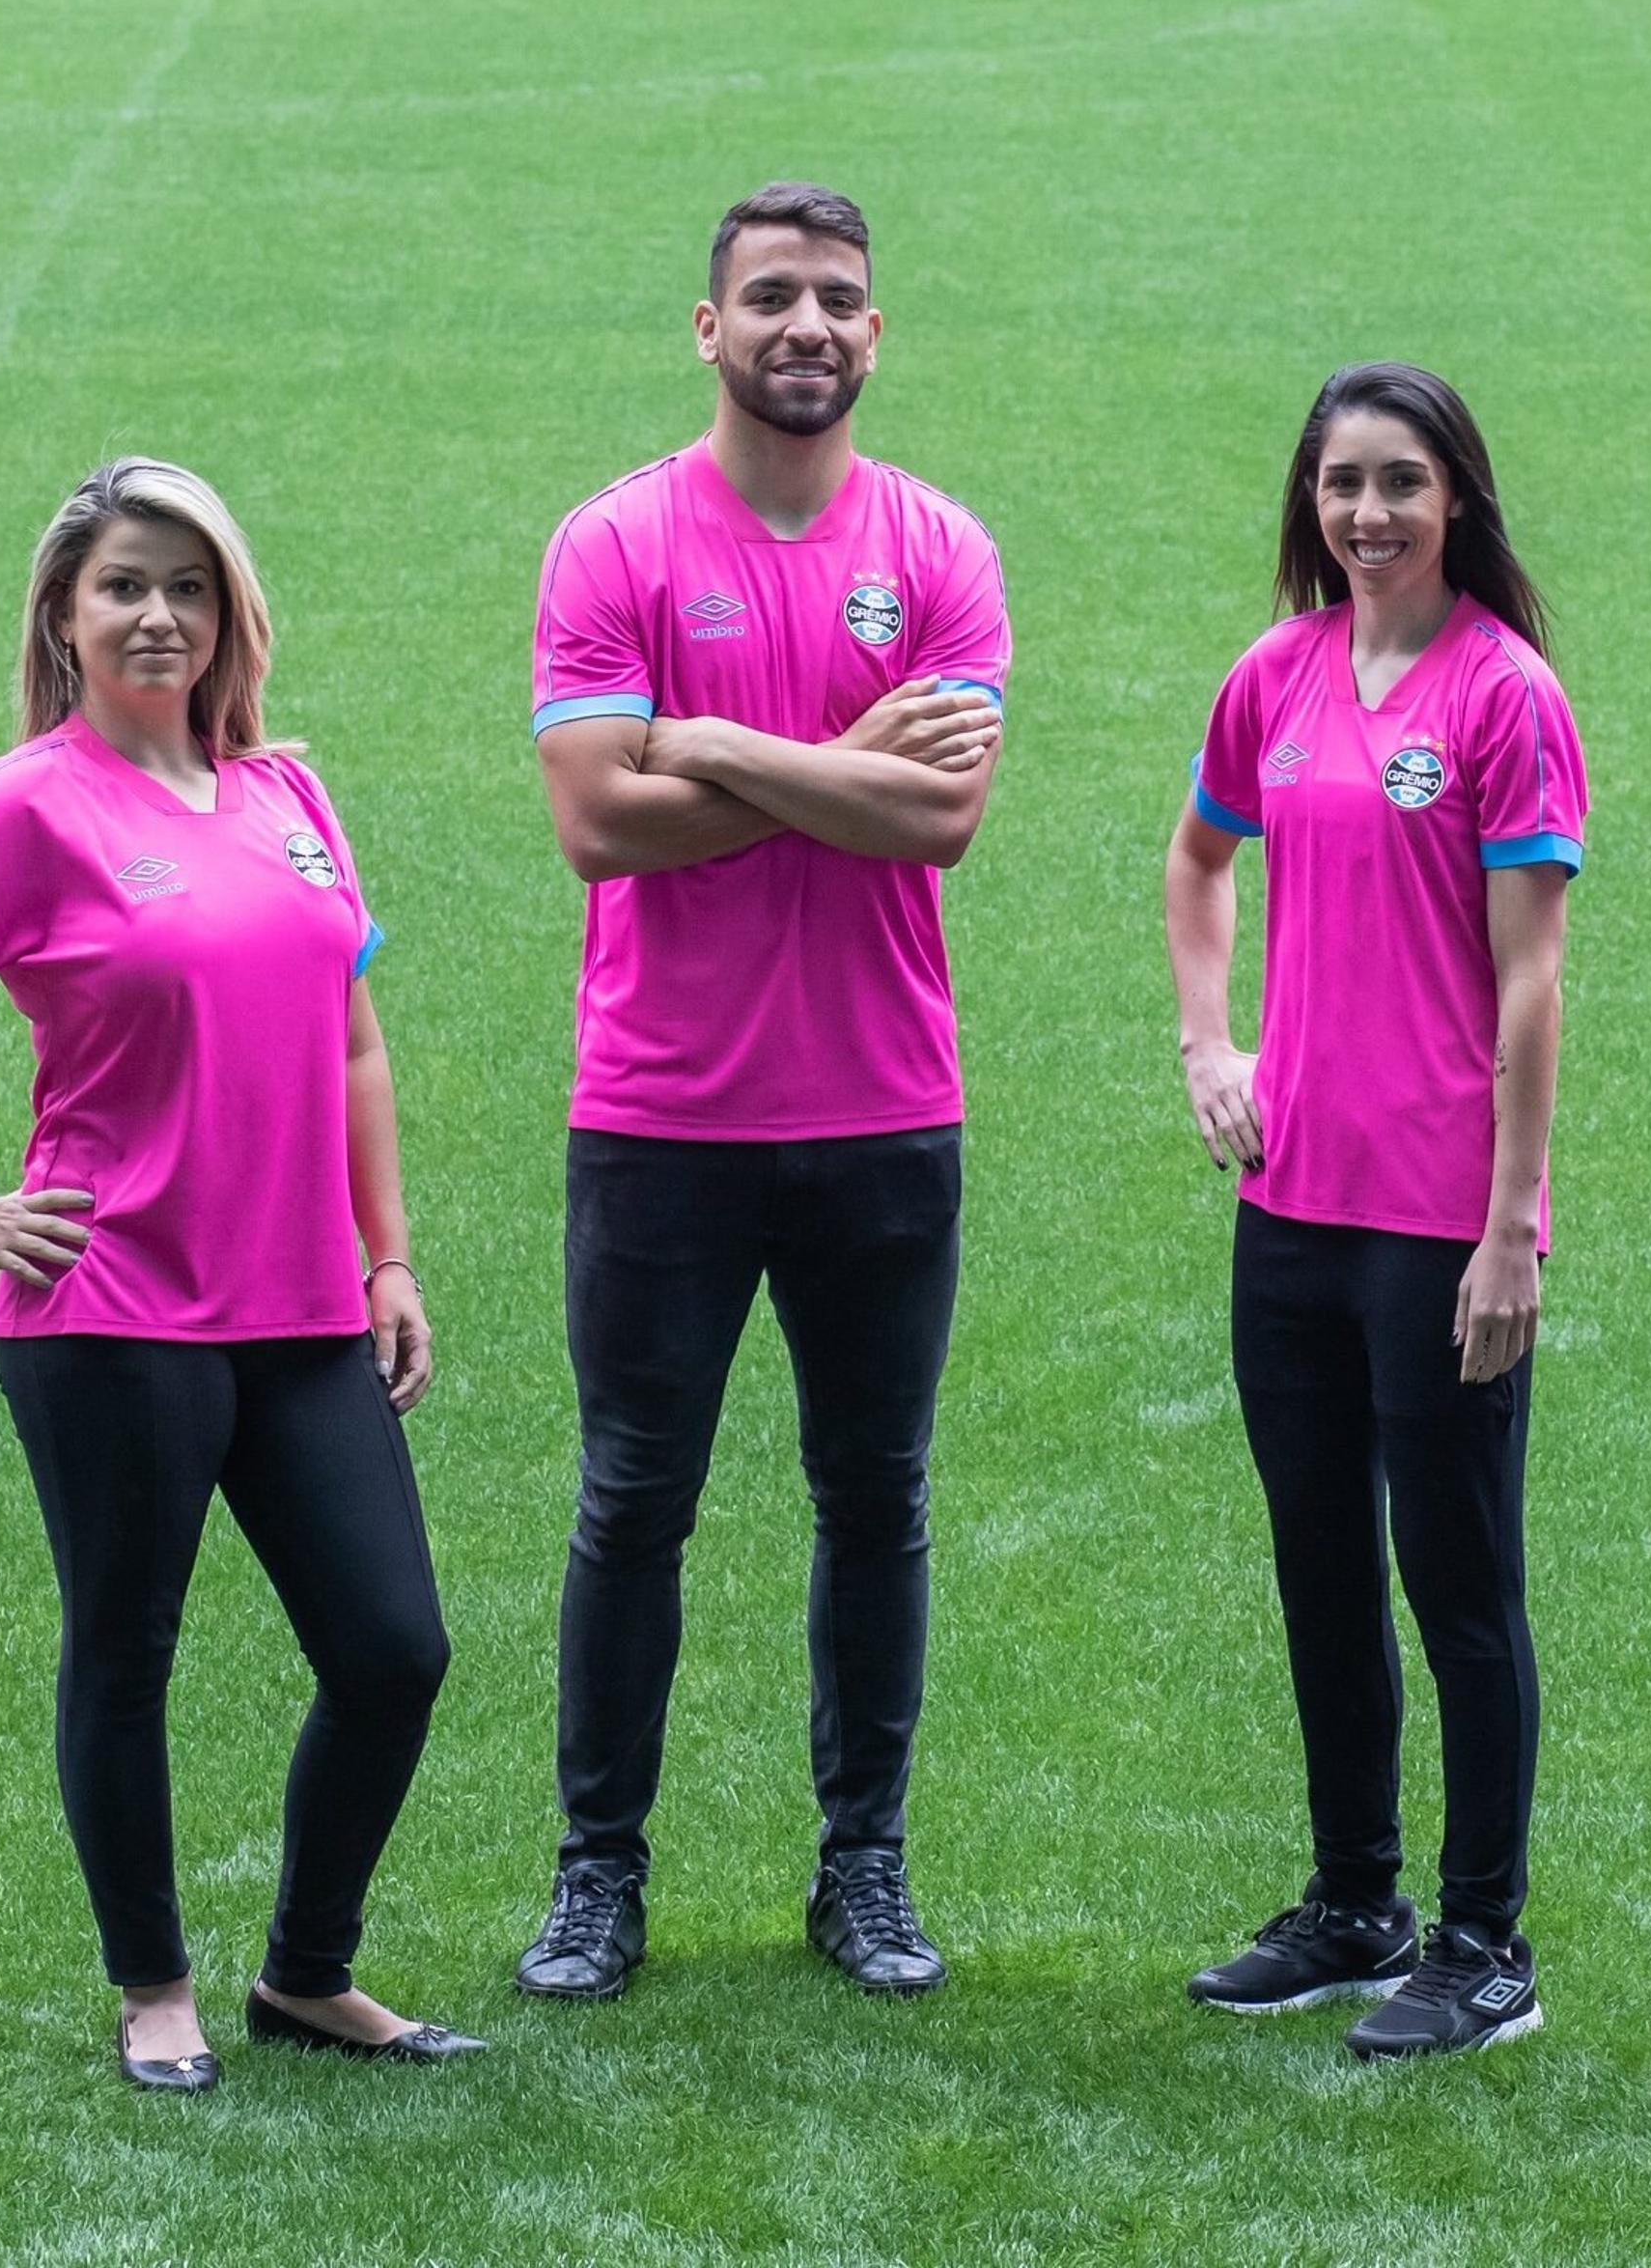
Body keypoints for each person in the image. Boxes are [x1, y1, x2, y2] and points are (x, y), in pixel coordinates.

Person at [0, 459, 476, 2092]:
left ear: (230, 608)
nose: (158, 612)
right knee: (128, 1651)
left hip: (305, 1304)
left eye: (187, 583)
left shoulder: (287, 796)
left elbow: (355, 1044)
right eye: (123, 585)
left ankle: (307, 1976)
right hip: (114, 1314)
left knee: (395, 1650)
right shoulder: (30, 802)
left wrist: (387, 1254)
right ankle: (155, 1987)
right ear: (64, 615)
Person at [515, 182, 1009, 2002]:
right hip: (660, 1118)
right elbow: (594, 827)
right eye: (773, 299)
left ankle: (862, 1872)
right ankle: (597, 1875)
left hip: (883, 1108)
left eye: (840, 302)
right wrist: (834, 762)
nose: (808, 326)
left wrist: (711, 745)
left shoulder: (941, 548)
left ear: (877, 337)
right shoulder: (614, 542)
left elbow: (940, 818)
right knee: (632, 1497)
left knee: (874, 1497)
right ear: (708, 330)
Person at [1161, 362, 1585, 2061]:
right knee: (1321, 1562)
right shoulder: (1275, 676)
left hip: (1437, 1223)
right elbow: (1199, 864)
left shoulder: (1505, 696)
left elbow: (1533, 979)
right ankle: (1355, 1906)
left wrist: (1511, 1225)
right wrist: (1211, 1046)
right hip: (1295, 1210)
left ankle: (1486, 1947)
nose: (1368, 514)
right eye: (1342, 483)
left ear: (1458, 498)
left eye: (1401, 482)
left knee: (1460, 1580)